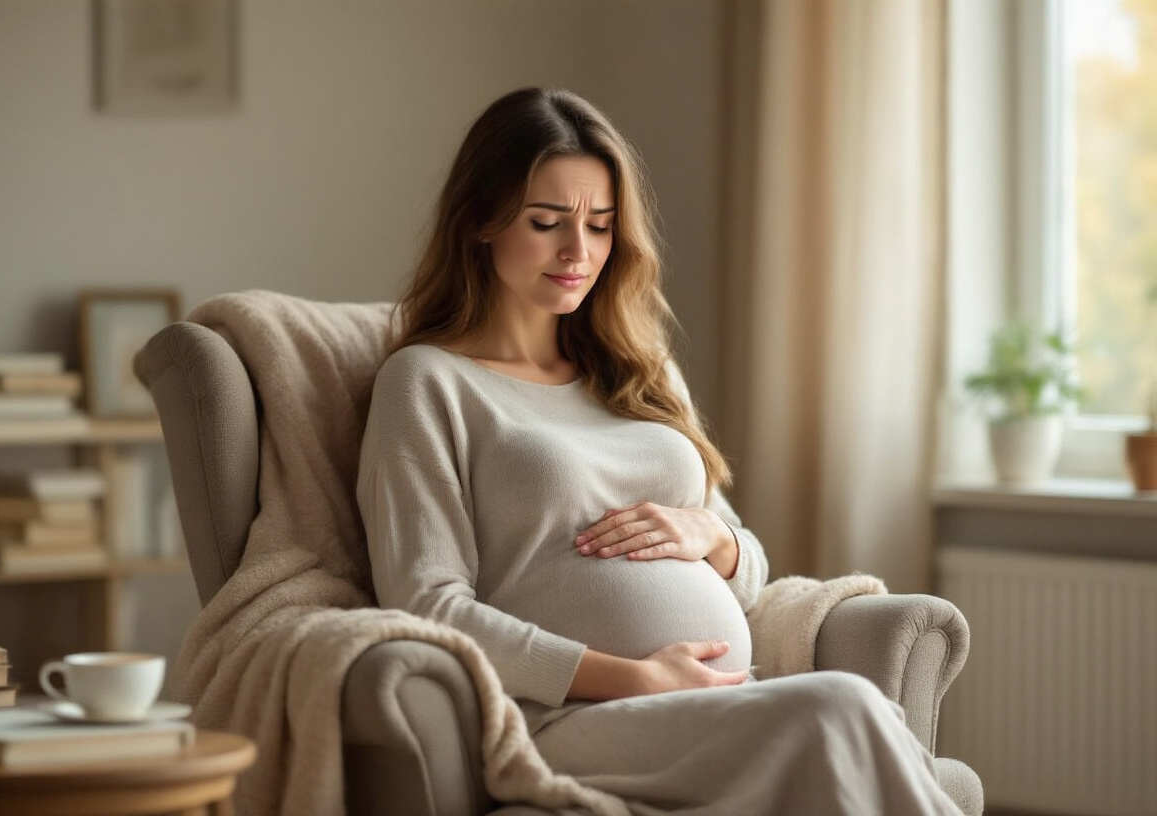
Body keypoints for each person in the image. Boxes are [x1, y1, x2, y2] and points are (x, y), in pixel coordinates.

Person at [357, 87, 962, 815]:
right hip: (573, 720)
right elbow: (428, 605)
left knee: (859, 712)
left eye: (601, 226)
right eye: (546, 222)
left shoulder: (638, 372)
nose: (578, 252)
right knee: (839, 708)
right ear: (480, 222)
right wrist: (629, 677)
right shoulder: (426, 382)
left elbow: (750, 575)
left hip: (712, 703)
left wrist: (714, 536)